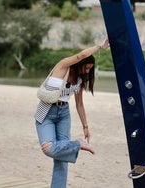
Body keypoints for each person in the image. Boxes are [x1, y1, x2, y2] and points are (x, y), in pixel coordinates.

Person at [34, 38, 109, 188]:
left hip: (63, 113)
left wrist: (85, 127)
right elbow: (81, 55)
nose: (87, 71)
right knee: (48, 148)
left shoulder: (80, 80)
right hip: (46, 111)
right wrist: (100, 46)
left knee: (61, 159)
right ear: (80, 64)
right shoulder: (63, 66)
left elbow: (79, 104)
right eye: (86, 68)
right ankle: (77, 144)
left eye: (90, 69)